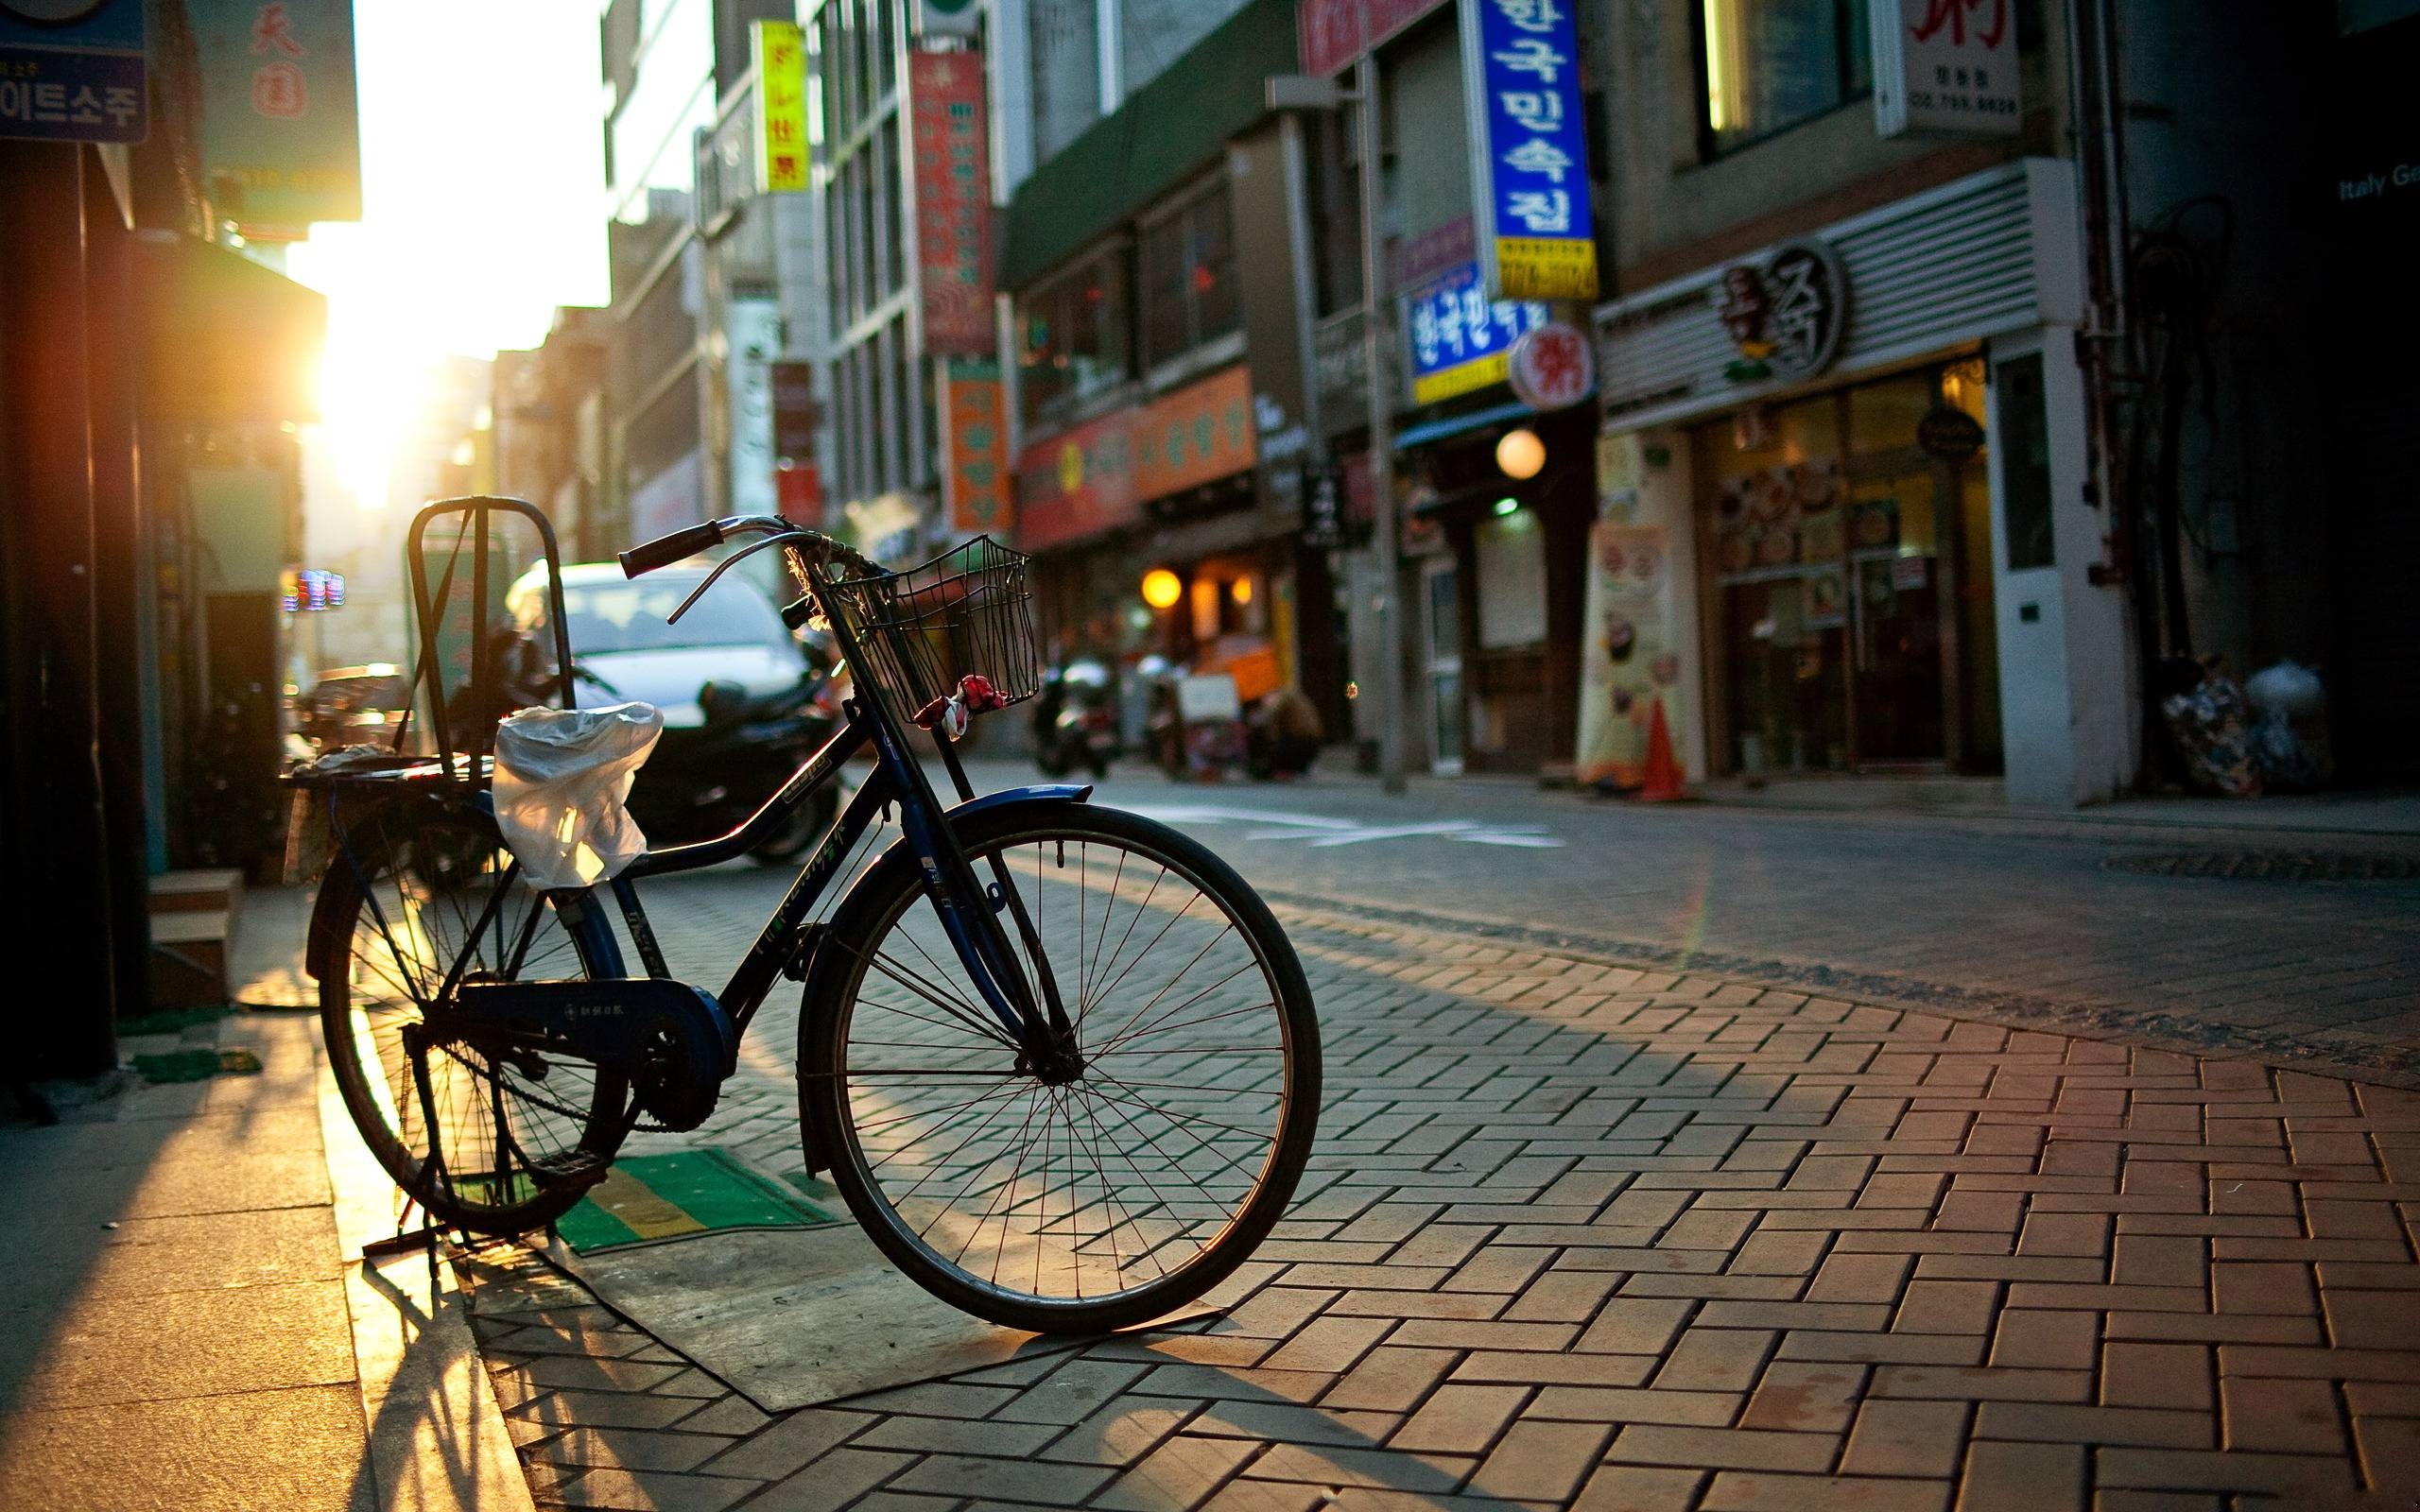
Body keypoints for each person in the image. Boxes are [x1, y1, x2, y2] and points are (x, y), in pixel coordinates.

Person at [1249, 685, 1323, 780]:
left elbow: (1272, 730)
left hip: (1299, 741)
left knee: (1271, 746)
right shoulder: (1294, 698)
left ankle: (1282, 770)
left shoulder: (1282, 702)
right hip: (1312, 741)